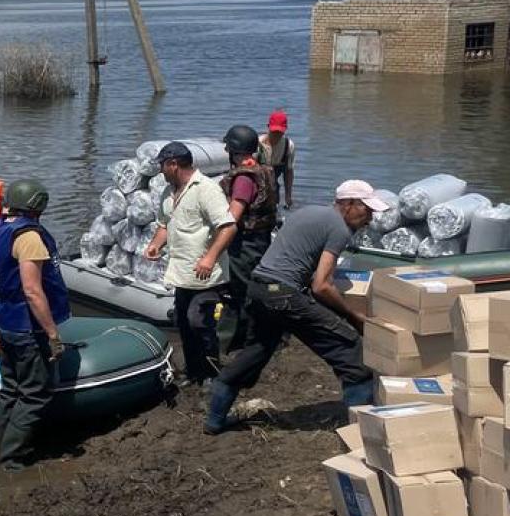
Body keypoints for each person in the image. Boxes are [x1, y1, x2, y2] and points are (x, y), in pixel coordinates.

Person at [206, 182, 390, 434]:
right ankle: (361, 433)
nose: (369, 218)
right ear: (347, 204)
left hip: (258, 287)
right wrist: (354, 317)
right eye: (366, 210)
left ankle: (215, 420)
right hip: (282, 294)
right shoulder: (339, 228)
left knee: (256, 351)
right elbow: (321, 286)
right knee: (351, 351)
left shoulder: (307, 212)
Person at [0, 179, 72, 471]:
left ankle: (3, 449)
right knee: (36, 393)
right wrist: (52, 334)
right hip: (26, 327)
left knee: (10, 390)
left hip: (4, 320)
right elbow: (33, 290)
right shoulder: (29, 237)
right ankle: (12, 459)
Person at [142, 142, 237, 385]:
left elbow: (227, 227)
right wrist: (155, 245)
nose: (160, 170)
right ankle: (193, 372)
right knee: (184, 323)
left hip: (206, 275)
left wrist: (210, 257)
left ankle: (212, 374)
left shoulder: (205, 189)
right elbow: (165, 224)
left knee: (200, 322)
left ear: (174, 164)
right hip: (182, 273)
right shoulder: (169, 192)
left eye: (163, 165)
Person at [219, 124, 279, 353]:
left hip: (244, 244)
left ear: (234, 151)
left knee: (241, 292)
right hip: (261, 240)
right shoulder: (264, 169)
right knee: (255, 288)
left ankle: (244, 341)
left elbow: (233, 216)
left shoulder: (244, 178)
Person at [259, 109, 296, 208]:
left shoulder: (289, 145)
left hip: (274, 187)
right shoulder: (258, 144)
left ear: (285, 130)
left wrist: (288, 195)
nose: (276, 135)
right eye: (274, 132)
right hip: (257, 185)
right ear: (268, 127)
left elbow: (288, 172)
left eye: (279, 132)